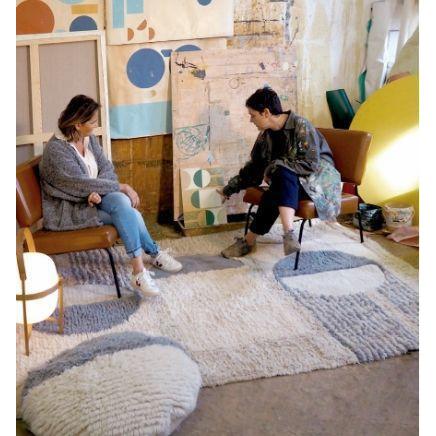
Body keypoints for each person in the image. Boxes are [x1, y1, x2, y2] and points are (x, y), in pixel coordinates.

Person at [40, 95, 182, 297]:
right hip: (70, 209)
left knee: (122, 203)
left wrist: (97, 190)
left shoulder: (88, 138)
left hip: (93, 198)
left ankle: (142, 268)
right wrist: (119, 186)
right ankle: (147, 261)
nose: (96, 126)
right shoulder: (56, 150)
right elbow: (78, 184)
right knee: (129, 212)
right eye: (93, 122)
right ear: (78, 124)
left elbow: (106, 168)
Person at [218, 87, 342, 258]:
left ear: (266, 112)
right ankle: (287, 235)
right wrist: (230, 188)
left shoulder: (301, 125)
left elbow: (310, 164)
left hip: (318, 183)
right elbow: (255, 167)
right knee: (278, 184)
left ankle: (250, 242)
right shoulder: (265, 136)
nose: (251, 120)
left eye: (253, 115)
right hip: (289, 185)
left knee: (281, 174)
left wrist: (277, 165)